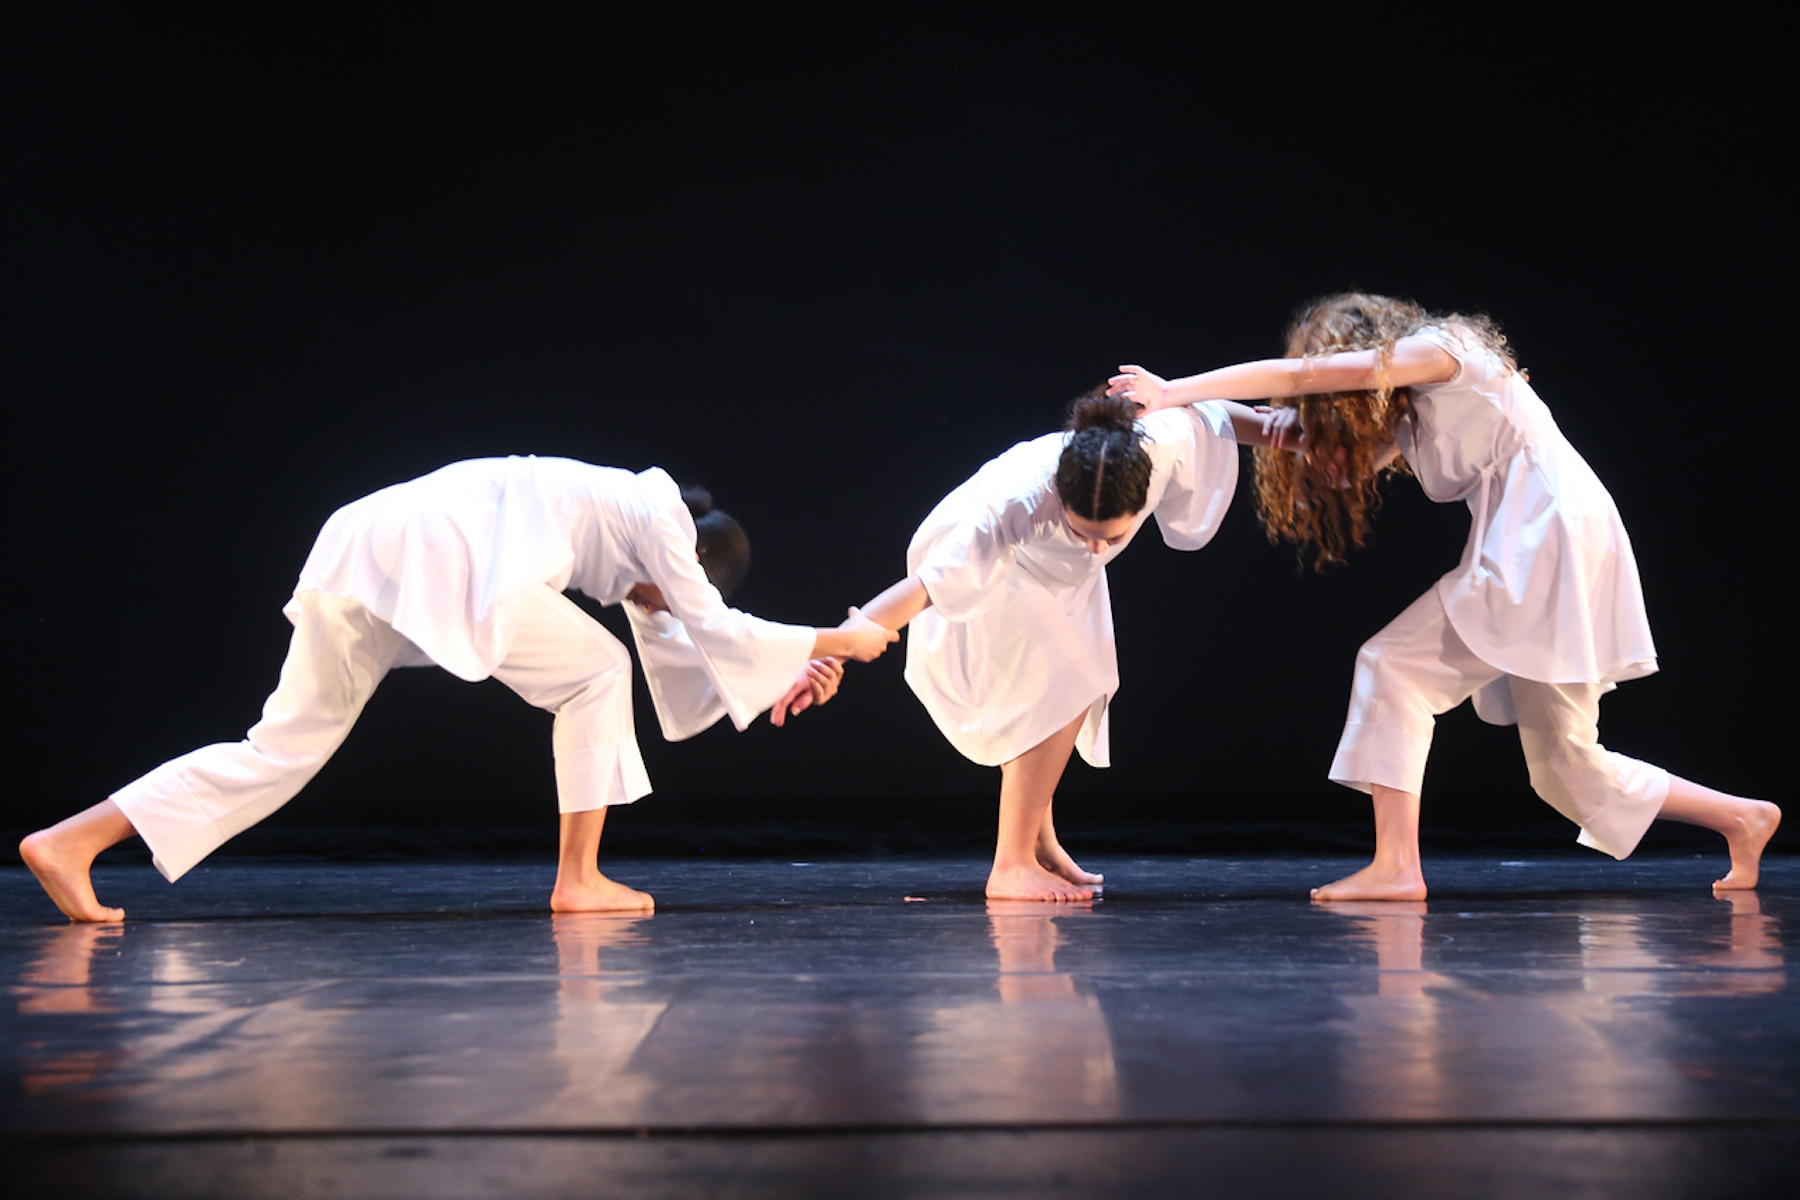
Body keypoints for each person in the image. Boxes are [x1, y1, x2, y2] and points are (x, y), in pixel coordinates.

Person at [21, 456, 897, 923]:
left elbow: (695, 651)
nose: (655, 607)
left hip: (364, 548)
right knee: (597, 672)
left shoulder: (628, 533)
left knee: (282, 748)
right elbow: (708, 628)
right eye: (677, 593)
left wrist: (792, 665)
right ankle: (579, 880)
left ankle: (70, 842)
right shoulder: (661, 516)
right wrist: (844, 641)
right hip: (432, 557)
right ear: (694, 564)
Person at [1111, 293, 1780, 900]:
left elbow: (1299, 381)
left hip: (1545, 536)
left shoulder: (1446, 356)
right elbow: (1285, 425)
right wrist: (1191, 413)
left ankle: (1396, 865)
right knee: (1567, 769)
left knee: (1394, 666)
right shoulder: (1410, 412)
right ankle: (1743, 818)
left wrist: (1173, 390)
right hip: (1552, 538)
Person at [782, 390, 1275, 901]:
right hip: (1002, 567)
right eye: (1085, 532)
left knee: (1067, 689)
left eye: (1113, 536)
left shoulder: (1158, 446)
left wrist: (1294, 435)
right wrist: (829, 652)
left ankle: (1040, 846)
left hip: (1062, 579)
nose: (1098, 548)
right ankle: (1011, 862)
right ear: (1061, 499)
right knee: (1070, 680)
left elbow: (1213, 417)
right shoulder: (1016, 504)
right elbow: (921, 590)